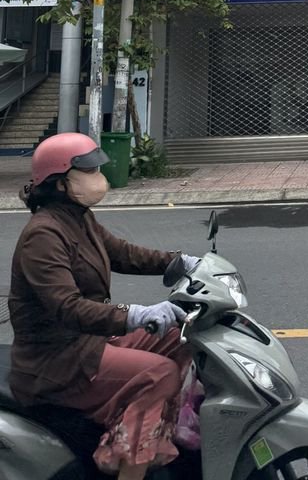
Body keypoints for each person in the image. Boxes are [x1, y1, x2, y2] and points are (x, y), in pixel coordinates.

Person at [9, 131, 201, 480]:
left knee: (181, 337)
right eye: (88, 171)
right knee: (158, 374)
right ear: (60, 184)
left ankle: (159, 431)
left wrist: (180, 262)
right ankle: (130, 466)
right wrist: (135, 315)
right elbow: (67, 307)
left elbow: (122, 253)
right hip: (58, 359)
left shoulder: (78, 219)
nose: (98, 178)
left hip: (88, 342)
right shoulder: (43, 235)